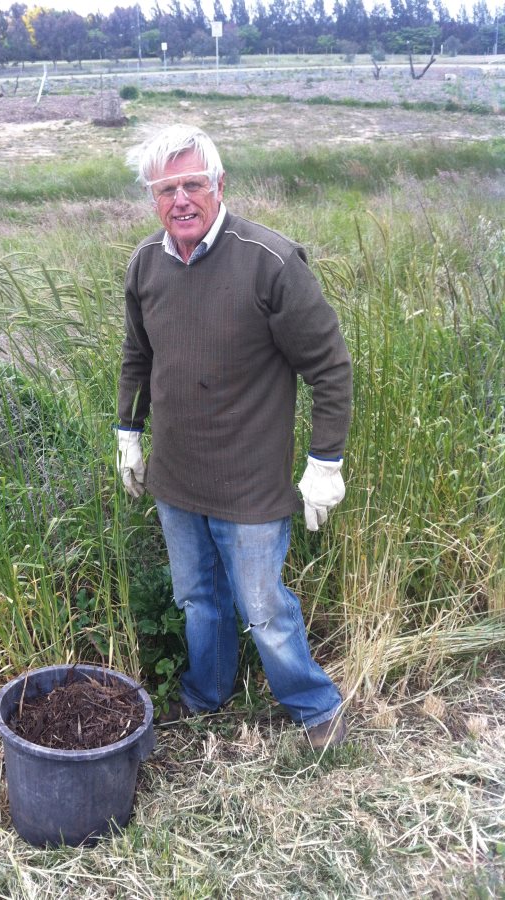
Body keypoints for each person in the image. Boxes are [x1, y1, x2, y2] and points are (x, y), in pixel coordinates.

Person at [116, 124, 352, 750]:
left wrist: (325, 461)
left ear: (220, 185)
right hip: (176, 477)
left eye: (194, 183)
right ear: (153, 199)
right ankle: (205, 695)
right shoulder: (146, 264)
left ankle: (316, 710)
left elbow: (329, 366)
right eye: (166, 189)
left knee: (263, 608)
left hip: (251, 482)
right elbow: (136, 356)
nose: (181, 200)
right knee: (197, 598)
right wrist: (129, 432)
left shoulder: (270, 262)